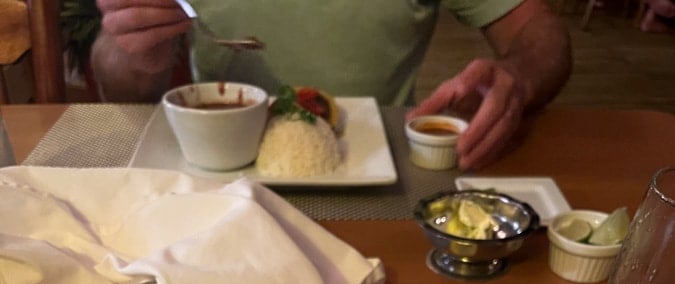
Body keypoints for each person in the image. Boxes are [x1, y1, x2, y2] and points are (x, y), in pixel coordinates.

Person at [90, 0, 572, 170]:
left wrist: (519, 79)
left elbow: (542, 37)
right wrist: (133, 51)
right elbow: (118, 83)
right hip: (217, 174)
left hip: (380, 176)